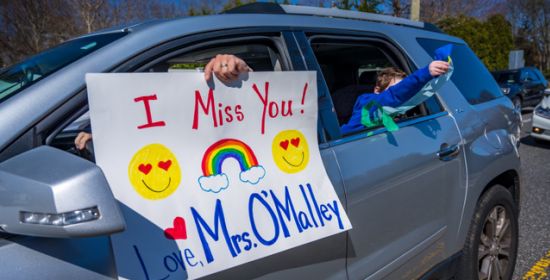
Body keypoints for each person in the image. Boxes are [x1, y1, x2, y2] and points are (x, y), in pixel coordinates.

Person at [74, 54, 251, 150]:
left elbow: (260, 115)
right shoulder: (165, 128)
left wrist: (242, 69)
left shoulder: (224, 124)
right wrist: (106, 138)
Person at [340, 60, 450, 135]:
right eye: (397, 88)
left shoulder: (394, 112)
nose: (403, 95)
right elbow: (394, 95)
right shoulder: (369, 103)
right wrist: (425, 74)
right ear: (377, 90)